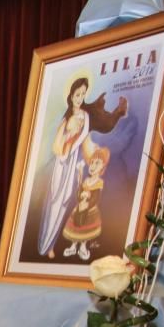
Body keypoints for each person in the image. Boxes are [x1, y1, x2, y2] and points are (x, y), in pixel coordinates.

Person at [38, 78, 127, 258]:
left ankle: (53, 242)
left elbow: (86, 141)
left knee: (65, 201)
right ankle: (46, 244)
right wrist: (68, 135)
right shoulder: (66, 117)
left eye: (83, 94)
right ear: (71, 95)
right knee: (54, 201)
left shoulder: (86, 117)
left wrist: (94, 157)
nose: (80, 98)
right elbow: (57, 147)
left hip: (72, 165)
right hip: (62, 163)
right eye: (77, 94)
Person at [61, 147, 109, 261]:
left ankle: (83, 246)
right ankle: (73, 246)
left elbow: (96, 199)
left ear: (103, 167)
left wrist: (88, 203)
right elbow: (78, 196)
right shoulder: (86, 180)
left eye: (97, 163)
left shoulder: (99, 182)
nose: (93, 166)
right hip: (79, 208)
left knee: (85, 230)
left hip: (89, 211)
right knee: (76, 228)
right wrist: (80, 192)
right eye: (91, 162)